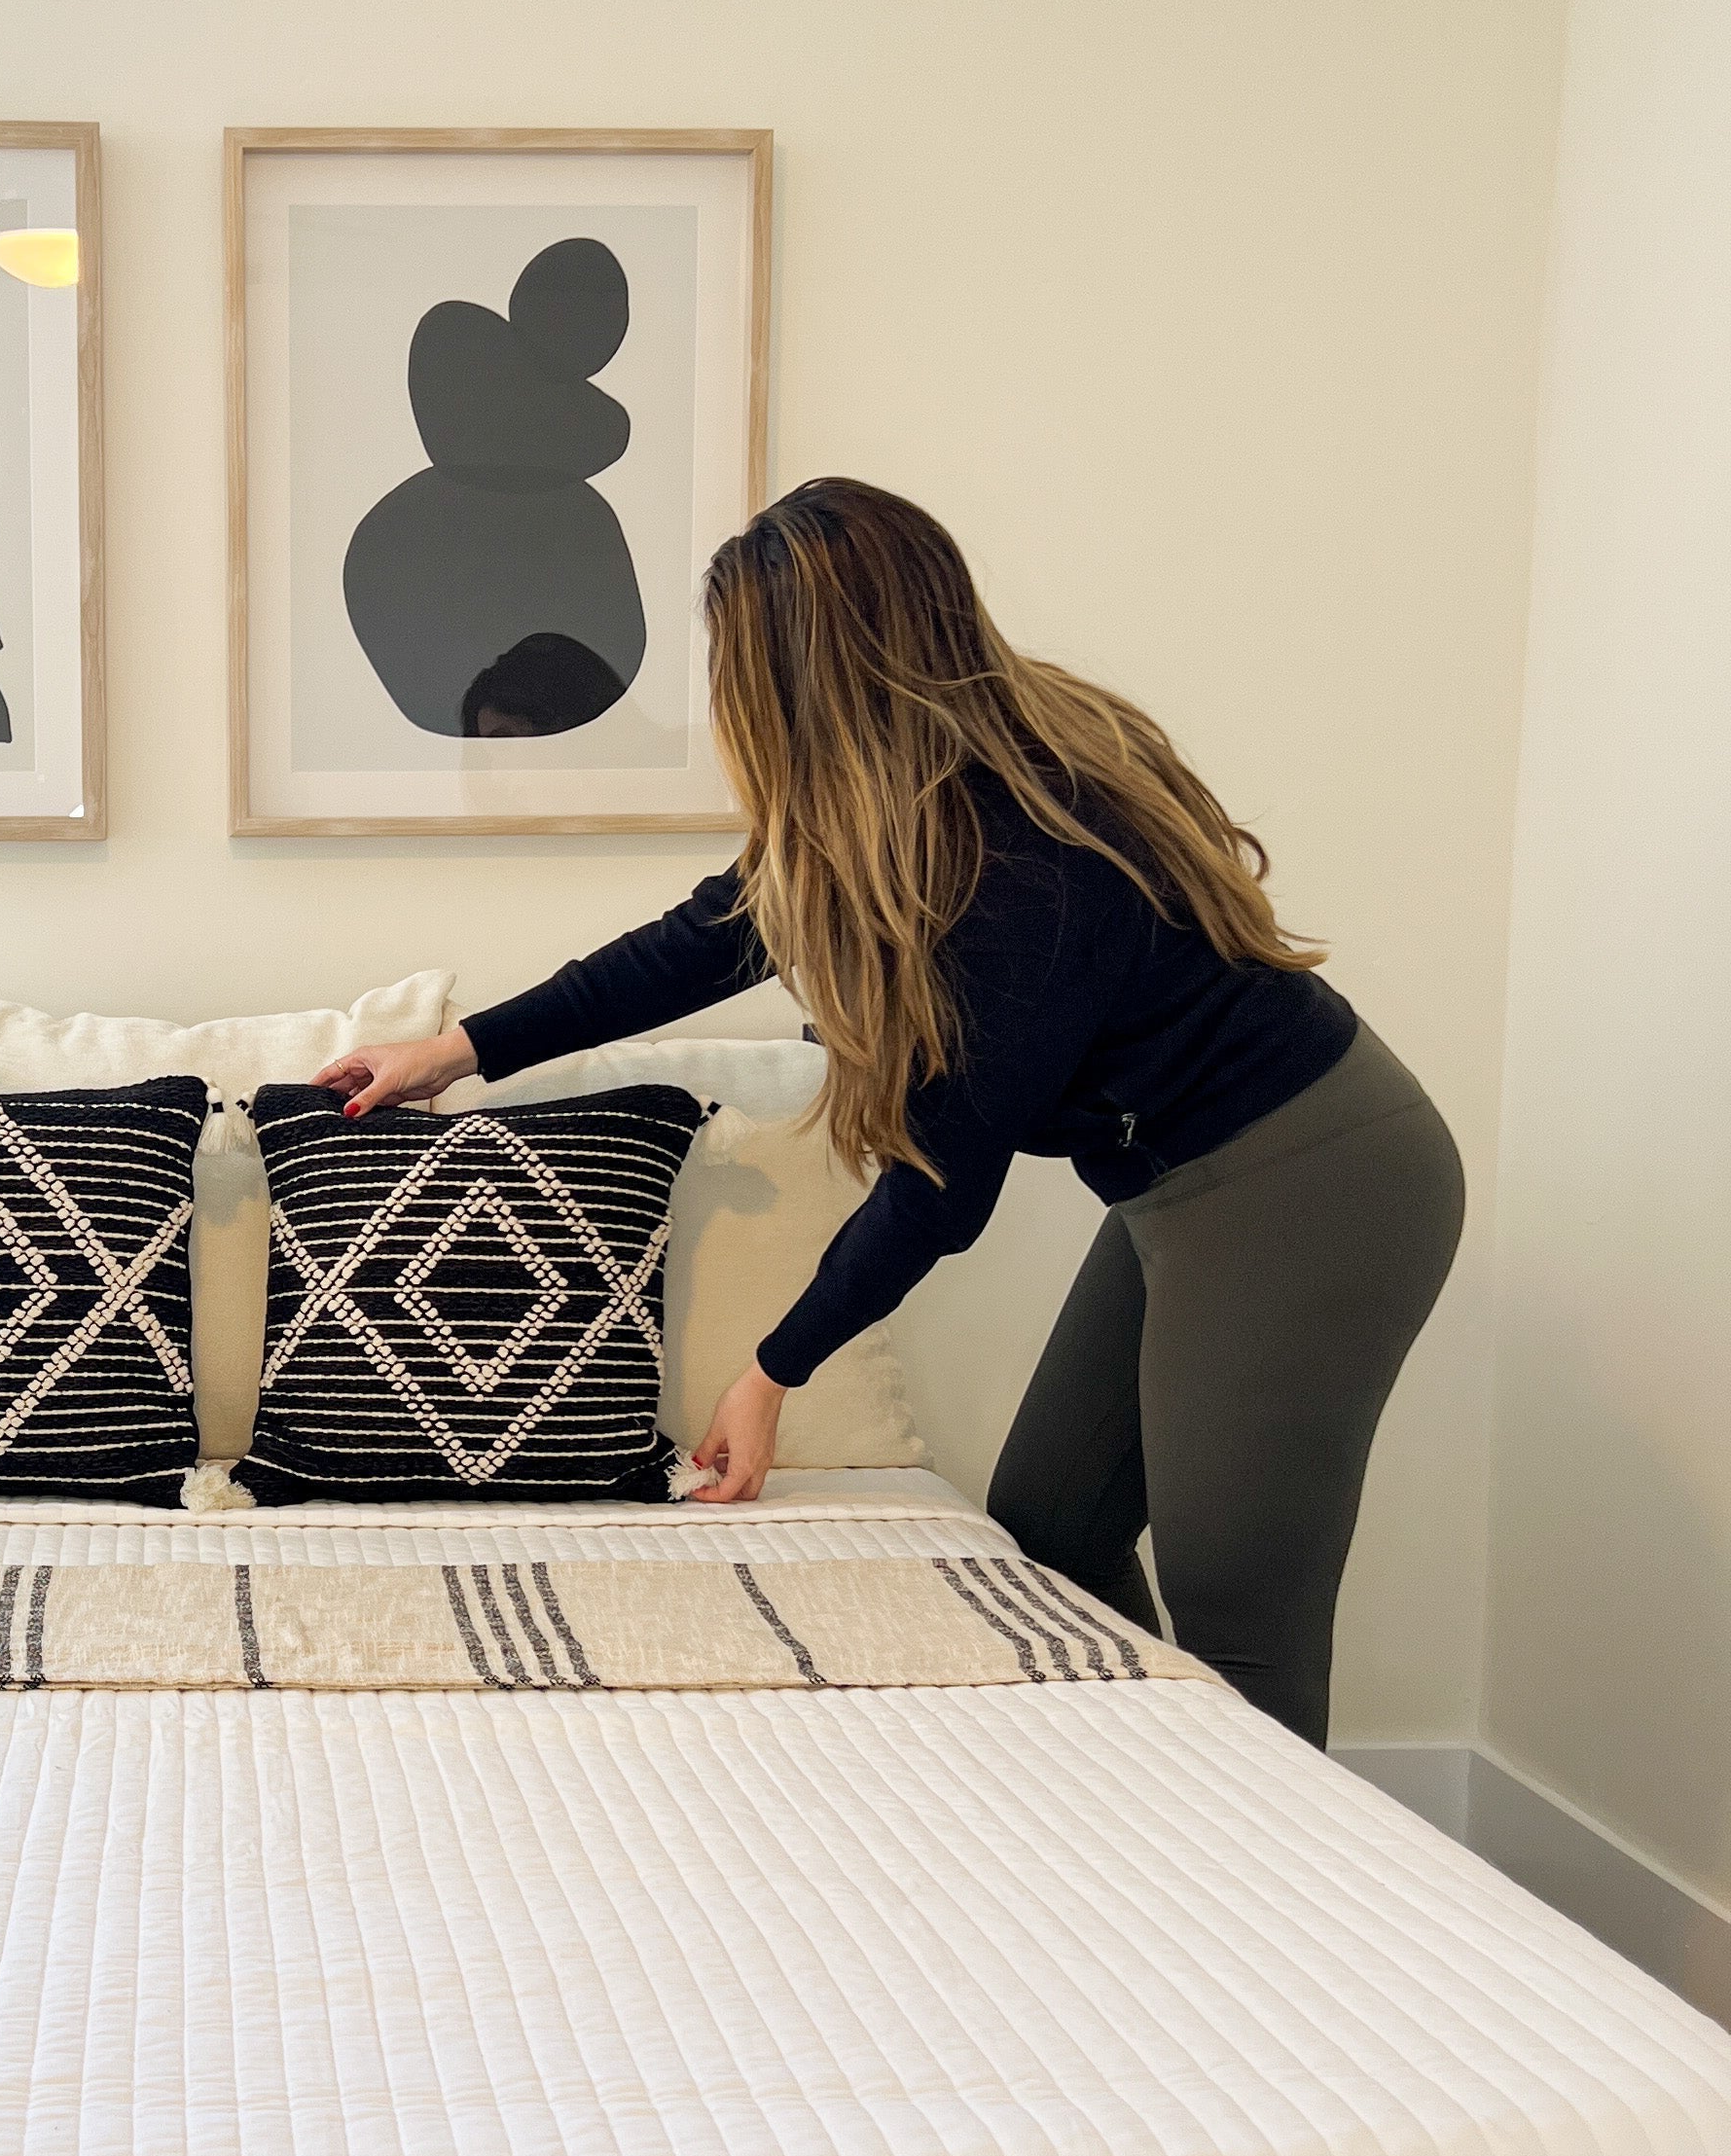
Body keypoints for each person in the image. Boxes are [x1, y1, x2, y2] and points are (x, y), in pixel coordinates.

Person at [317, 475, 1462, 1746]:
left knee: (1242, 1615)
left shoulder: (1026, 858)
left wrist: (771, 1372)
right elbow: (693, 946)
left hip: (1308, 1186)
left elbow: (939, 1184)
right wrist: (462, 1050)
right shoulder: (903, 814)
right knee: (1056, 1527)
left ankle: (1295, 1923)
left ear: (810, 681)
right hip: (1179, 1187)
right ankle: (1151, 1793)